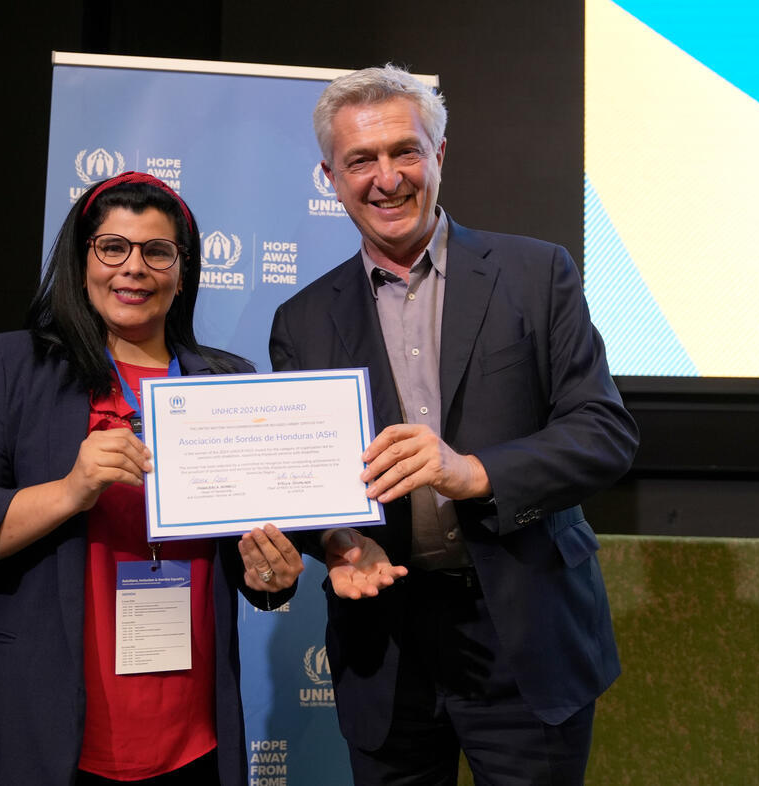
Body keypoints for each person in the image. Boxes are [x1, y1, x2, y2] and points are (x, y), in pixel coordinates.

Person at [269, 66, 639, 784]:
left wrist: (474, 472)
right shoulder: (301, 321)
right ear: (330, 178)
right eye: (360, 161)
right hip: (385, 647)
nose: (387, 178)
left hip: (526, 636)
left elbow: (603, 431)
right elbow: (304, 486)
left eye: (405, 151)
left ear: (438, 155)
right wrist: (337, 542)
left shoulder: (538, 274)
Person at [0, 171, 303, 786]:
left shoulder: (226, 383)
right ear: (82, 260)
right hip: (44, 730)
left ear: (182, 271)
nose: (133, 268)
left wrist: (268, 576)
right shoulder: (15, 366)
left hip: (192, 736)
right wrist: (70, 490)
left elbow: (247, 558)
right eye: (112, 247)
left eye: (157, 251)